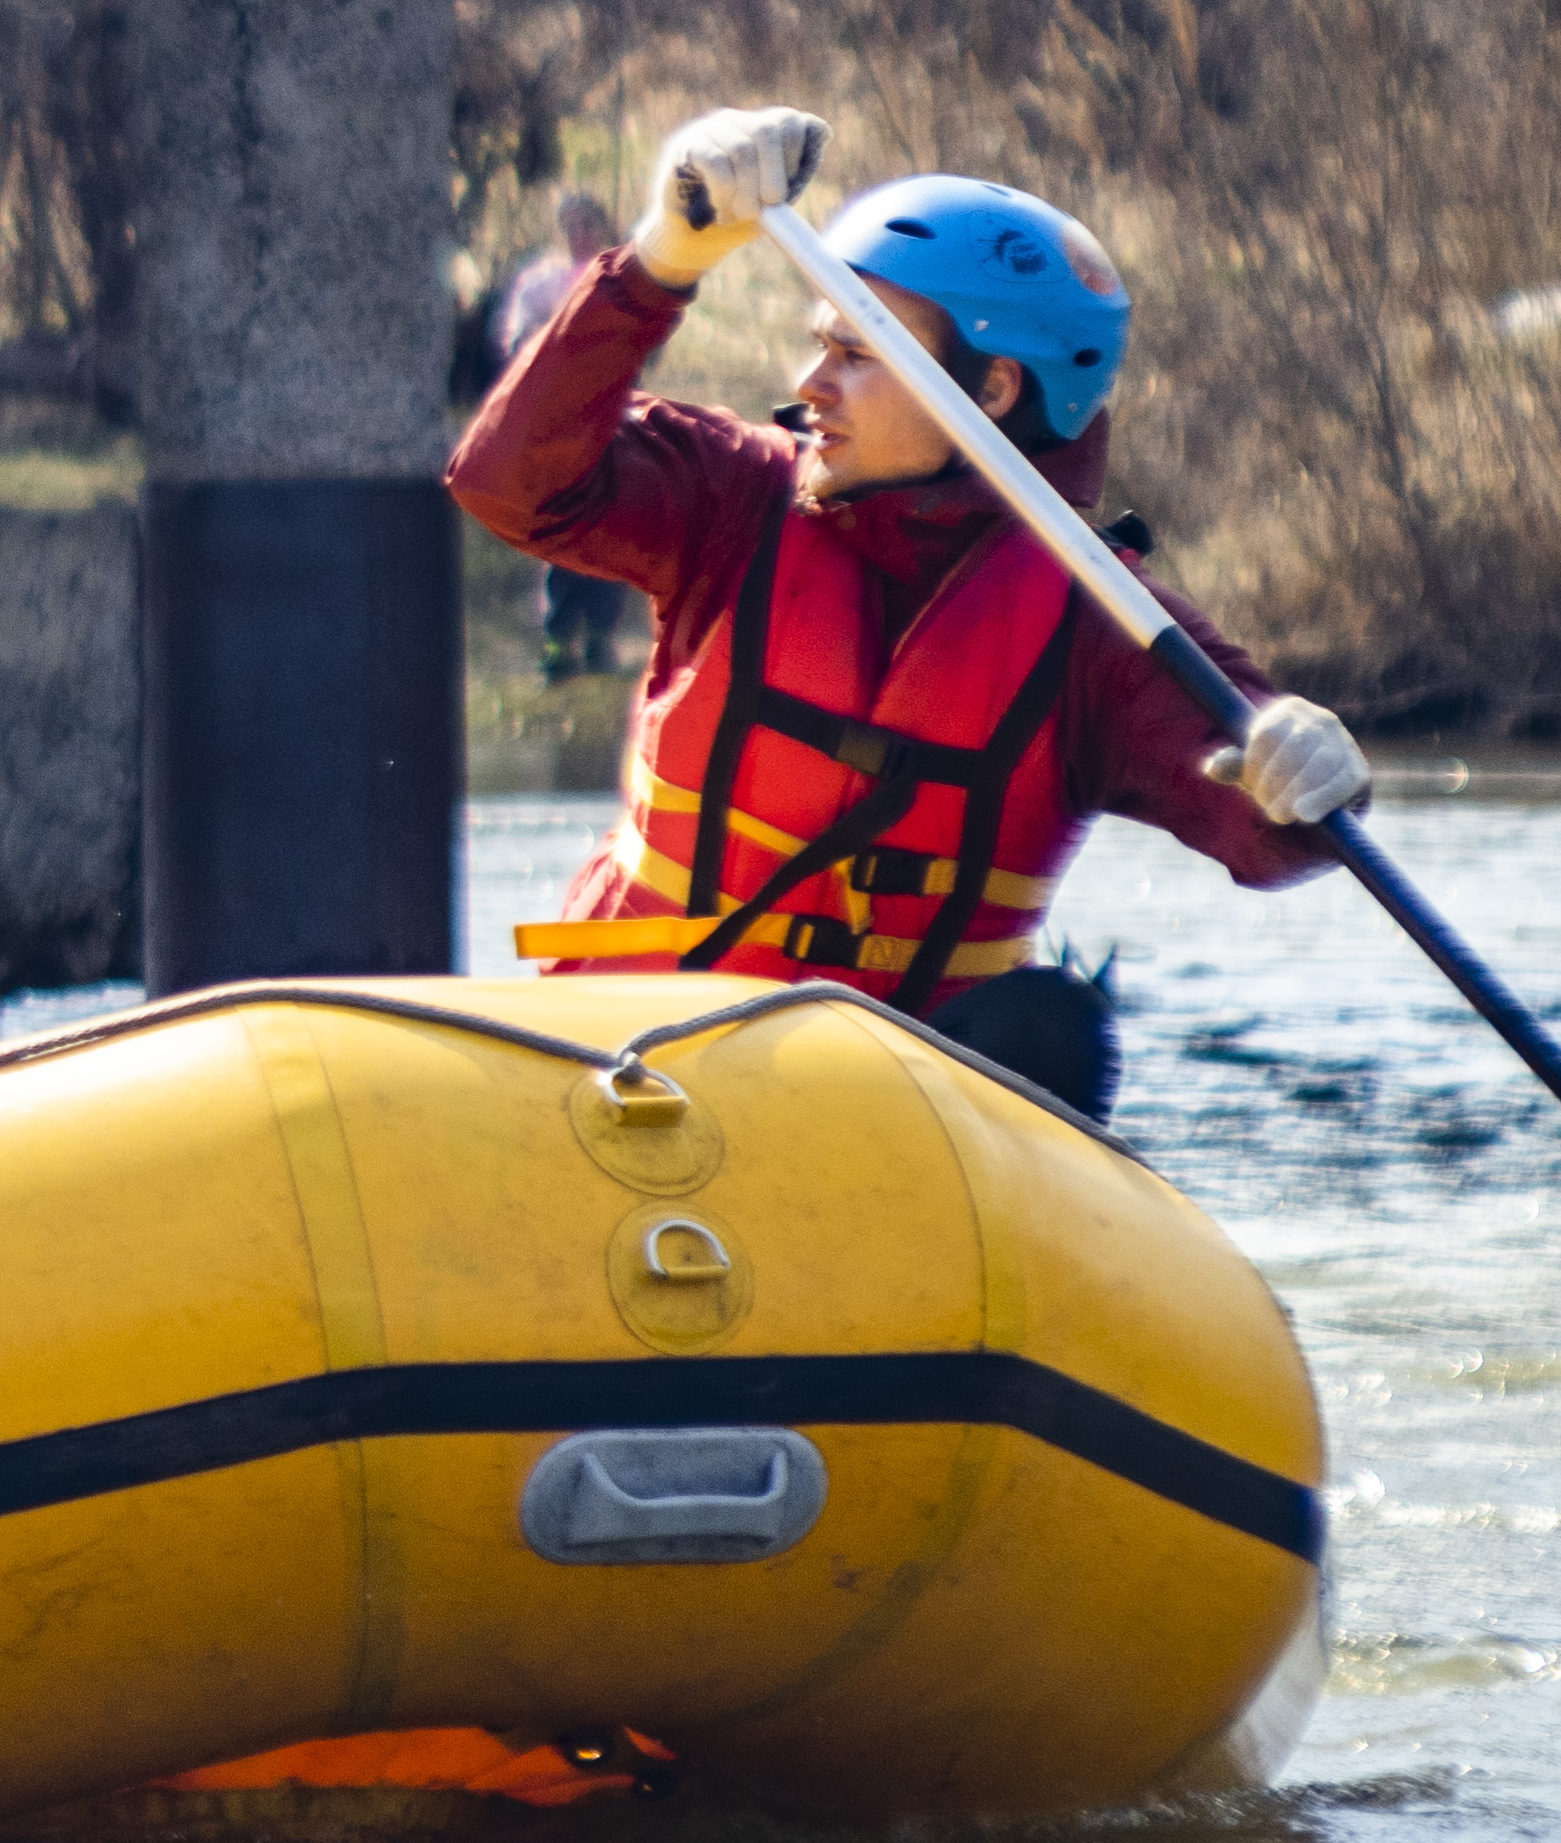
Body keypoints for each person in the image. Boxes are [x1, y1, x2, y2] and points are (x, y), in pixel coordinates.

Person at [443, 108, 1370, 1117]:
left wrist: (1311, 777)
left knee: (1050, 1026)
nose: (810, 384)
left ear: (994, 387)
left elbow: (1274, 833)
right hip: (633, 1051)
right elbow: (507, 483)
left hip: (887, 1119)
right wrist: (658, 263)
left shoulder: (1101, 626)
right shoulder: (732, 494)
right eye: (818, 344)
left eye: (856, 353)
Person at [490, 191, 643, 680]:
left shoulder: (621, 277)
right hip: (555, 424)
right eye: (571, 224)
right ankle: (559, 640)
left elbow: (642, 339)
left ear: (602, 226)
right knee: (560, 525)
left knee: (608, 525)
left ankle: (602, 635)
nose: (580, 234)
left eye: (588, 224)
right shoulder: (542, 283)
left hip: (609, 419)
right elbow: (517, 345)